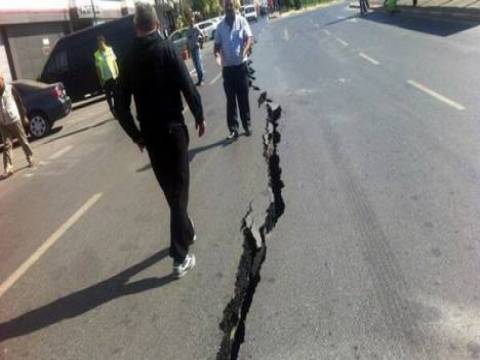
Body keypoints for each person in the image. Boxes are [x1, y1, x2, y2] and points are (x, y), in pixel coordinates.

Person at [115, 2, 206, 279]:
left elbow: (120, 107)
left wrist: (136, 136)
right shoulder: (167, 49)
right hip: (174, 132)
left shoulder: (128, 58)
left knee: (172, 191)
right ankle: (179, 258)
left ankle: (186, 232)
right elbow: (187, 86)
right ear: (156, 23)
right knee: (179, 192)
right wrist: (199, 116)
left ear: (136, 26)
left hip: (152, 137)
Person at [214, 0, 254, 140]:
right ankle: (233, 130)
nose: (229, 8)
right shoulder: (219, 27)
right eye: (227, 6)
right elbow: (217, 47)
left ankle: (247, 125)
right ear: (224, 8)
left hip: (241, 67)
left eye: (231, 5)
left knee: (243, 98)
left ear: (234, 6)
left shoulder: (242, 21)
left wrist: (246, 48)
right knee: (230, 101)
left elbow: (249, 38)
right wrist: (218, 57)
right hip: (228, 70)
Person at [0, 73, 34, 180]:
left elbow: (19, 102)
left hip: (14, 119)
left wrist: (23, 116)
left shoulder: (10, 89)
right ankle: (8, 168)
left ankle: (30, 157)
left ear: (2, 79)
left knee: (23, 140)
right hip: (3, 123)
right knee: (7, 146)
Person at [94, 35, 119, 117]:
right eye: (98, 44)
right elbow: (97, 68)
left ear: (104, 42)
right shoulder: (96, 54)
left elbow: (114, 61)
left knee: (116, 93)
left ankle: (116, 109)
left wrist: (117, 72)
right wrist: (101, 80)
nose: (100, 45)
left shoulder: (110, 49)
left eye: (101, 43)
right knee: (108, 95)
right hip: (105, 78)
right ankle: (111, 108)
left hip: (113, 76)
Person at [187, 17, 204, 86]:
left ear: (193, 22)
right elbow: (188, 40)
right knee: (196, 65)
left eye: (192, 21)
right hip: (191, 49)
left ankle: (201, 79)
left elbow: (202, 35)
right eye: (190, 21)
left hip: (196, 48)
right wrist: (188, 50)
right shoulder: (188, 30)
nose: (191, 23)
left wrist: (200, 43)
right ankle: (200, 79)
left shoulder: (196, 28)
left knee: (198, 64)